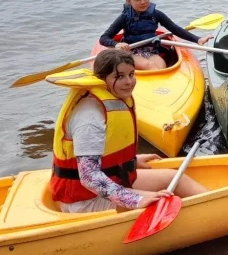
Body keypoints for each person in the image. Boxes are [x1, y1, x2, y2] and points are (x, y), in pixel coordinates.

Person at [50, 49, 208, 214]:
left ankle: (216, 202)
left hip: (109, 182)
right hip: (84, 201)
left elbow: (103, 151)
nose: (129, 82)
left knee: (174, 178)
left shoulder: (110, 100)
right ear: (102, 78)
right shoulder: (89, 117)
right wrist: (136, 200)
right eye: (119, 77)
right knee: (160, 201)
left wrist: (131, 161)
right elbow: (89, 177)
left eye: (131, 74)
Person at [100, 0, 211, 72]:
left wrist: (198, 39)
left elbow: (175, 29)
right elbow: (104, 38)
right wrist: (116, 44)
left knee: (161, 68)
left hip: (151, 51)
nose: (143, 2)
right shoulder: (124, 17)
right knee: (149, 65)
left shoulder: (156, 14)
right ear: (128, 1)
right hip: (131, 52)